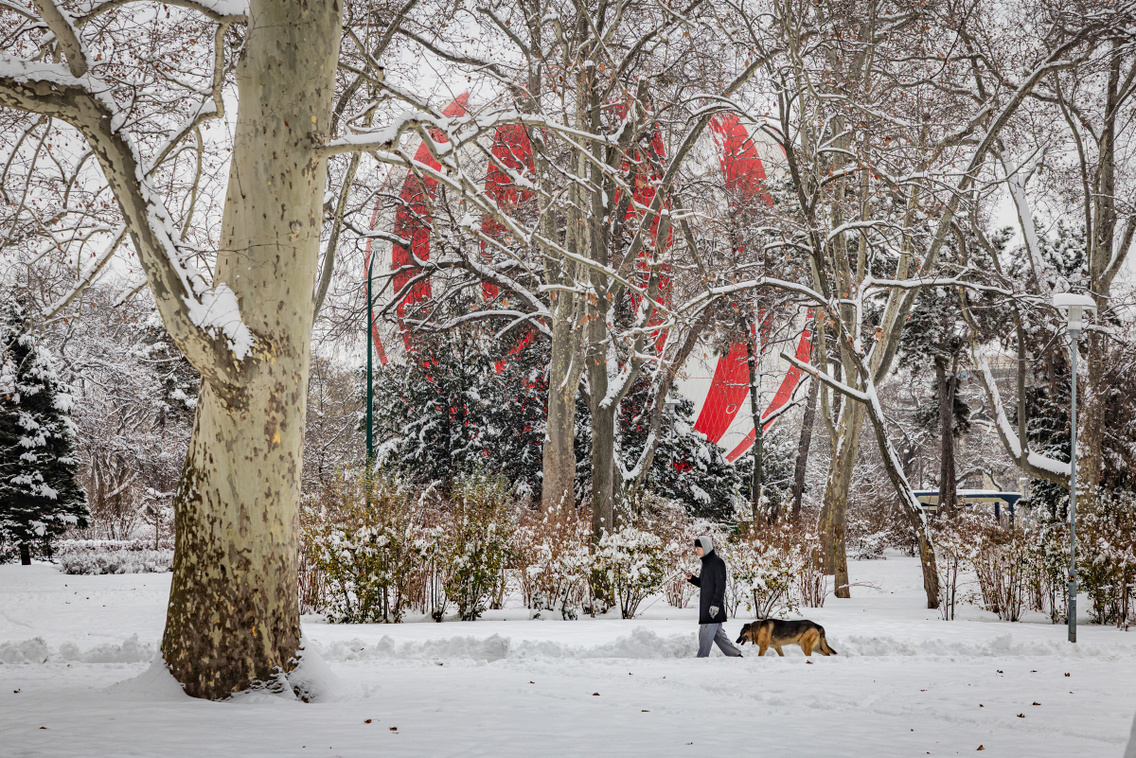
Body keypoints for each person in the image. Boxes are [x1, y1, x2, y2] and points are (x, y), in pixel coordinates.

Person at [684, 536, 743, 658]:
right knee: (719, 637)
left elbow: (720, 586)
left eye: (698, 548)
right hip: (706, 606)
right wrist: (692, 578)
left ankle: (701, 659)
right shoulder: (705, 564)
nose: (697, 551)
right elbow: (704, 584)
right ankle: (736, 655)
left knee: (704, 636)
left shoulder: (717, 563)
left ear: (705, 547)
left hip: (712, 608)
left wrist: (715, 604)